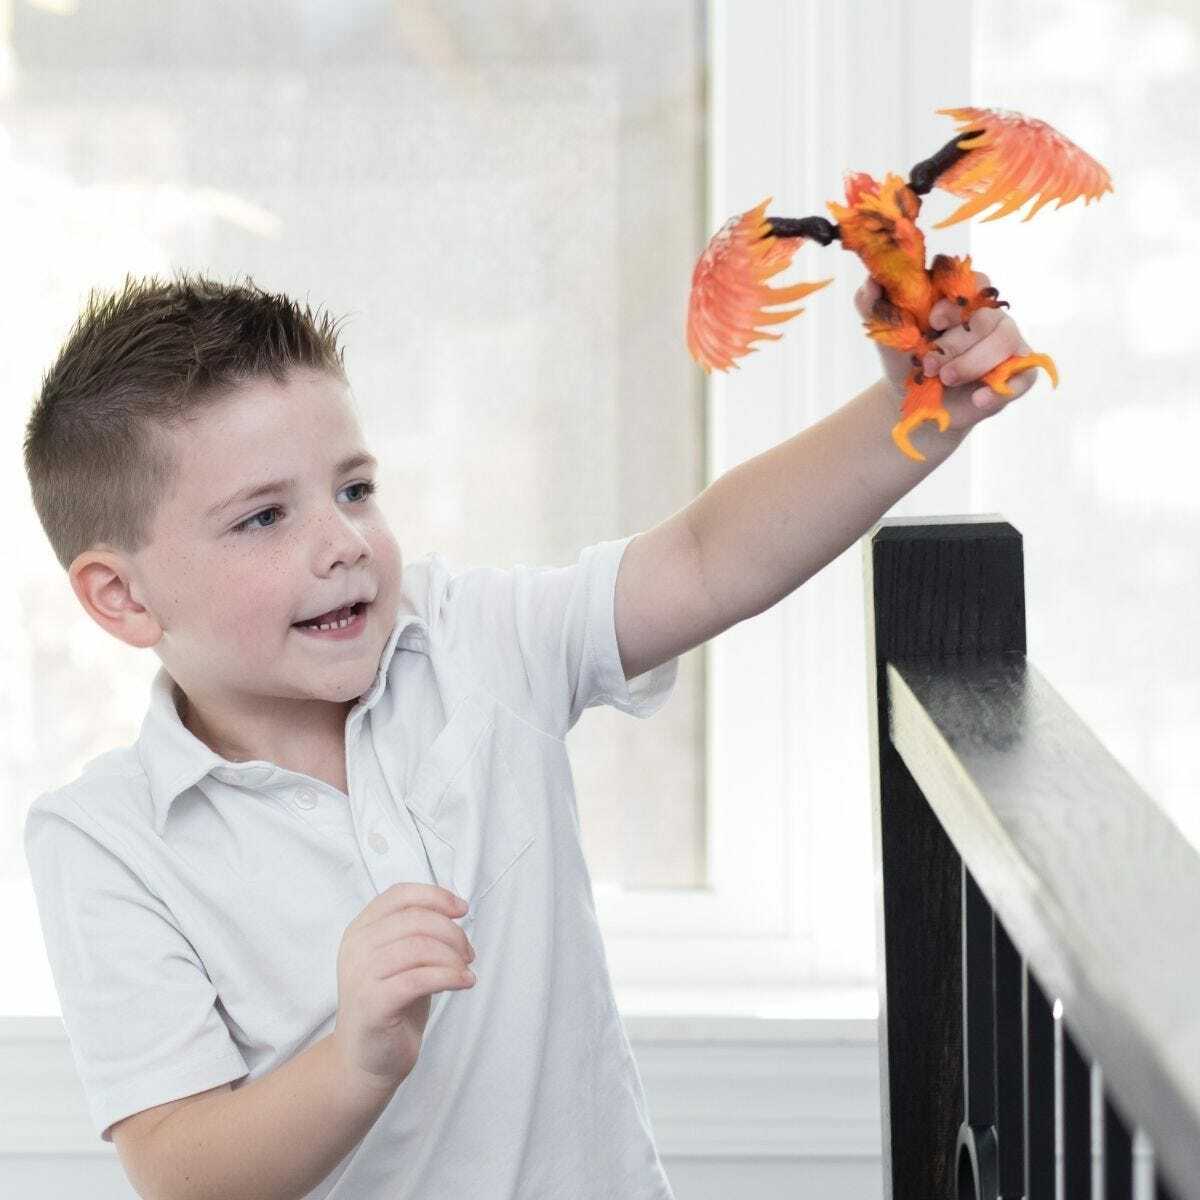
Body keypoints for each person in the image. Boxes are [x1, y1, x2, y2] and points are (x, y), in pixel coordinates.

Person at [21, 269, 1037, 1200]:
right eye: (263, 518)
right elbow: (182, 1170)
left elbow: (704, 559)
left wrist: (917, 410)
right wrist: (355, 1061)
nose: (343, 543)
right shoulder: (103, 840)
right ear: (122, 597)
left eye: (355, 489)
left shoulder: (473, 640)